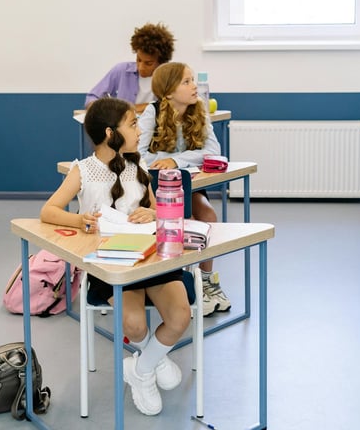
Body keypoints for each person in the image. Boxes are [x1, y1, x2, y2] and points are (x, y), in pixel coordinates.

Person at [41, 97, 190, 416]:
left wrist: (152, 214)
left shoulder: (139, 165)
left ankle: (141, 369)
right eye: (133, 124)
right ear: (110, 133)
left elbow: (158, 208)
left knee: (180, 316)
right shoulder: (83, 170)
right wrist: (80, 220)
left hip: (152, 257)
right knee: (134, 326)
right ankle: (154, 361)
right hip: (111, 264)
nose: (140, 130)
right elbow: (48, 211)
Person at [138, 61, 230, 316]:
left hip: (187, 184)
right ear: (168, 92)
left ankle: (207, 282)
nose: (194, 87)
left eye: (193, 80)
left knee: (208, 215)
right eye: (186, 82)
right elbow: (139, 154)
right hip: (156, 189)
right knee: (180, 220)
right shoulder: (152, 112)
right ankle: (178, 283)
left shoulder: (199, 110)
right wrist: (172, 161)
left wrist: (175, 160)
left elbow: (213, 151)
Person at [85, 22, 175, 114]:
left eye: (148, 63)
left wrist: (139, 107)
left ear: (161, 62)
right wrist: (102, 110)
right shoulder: (121, 70)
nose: (141, 67)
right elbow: (92, 97)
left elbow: (171, 107)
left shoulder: (171, 78)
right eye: (138, 60)